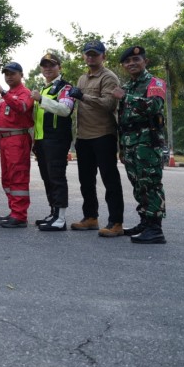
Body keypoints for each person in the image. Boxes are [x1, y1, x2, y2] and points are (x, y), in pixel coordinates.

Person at [69, 40, 126, 237]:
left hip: (103, 134)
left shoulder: (109, 77)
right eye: (88, 54)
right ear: (84, 56)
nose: (91, 57)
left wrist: (83, 97)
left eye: (95, 54)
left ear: (104, 56)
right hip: (84, 136)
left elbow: (109, 104)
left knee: (110, 180)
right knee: (85, 180)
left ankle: (116, 222)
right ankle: (90, 217)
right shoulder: (82, 78)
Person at [113, 45, 168, 244]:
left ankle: (155, 228)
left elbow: (154, 106)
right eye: (127, 61)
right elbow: (122, 120)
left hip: (148, 142)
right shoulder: (127, 86)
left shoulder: (155, 82)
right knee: (138, 185)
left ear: (145, 62)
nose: (131, 64)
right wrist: (121, 147)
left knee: (151, 184)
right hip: (129, 143)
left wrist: (125, 97)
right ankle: (145, 221)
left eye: (136, 60)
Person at [30, 52, 75, 231]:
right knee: (47, 177)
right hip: (42, 140)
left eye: (52, 65)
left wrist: (41, 99)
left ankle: (60, 218)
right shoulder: (43, 89)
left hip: (57, 139)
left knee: (56, 177)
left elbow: (65, 110)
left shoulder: (66, 88)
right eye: (45, 65)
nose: (48, 68)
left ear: (59, 67)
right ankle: (53, 212)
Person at [0, 62, 34, 228]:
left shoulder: (25, 93)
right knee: (8, 178)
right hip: (4, 140)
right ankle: (14, 211)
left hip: (18, 139)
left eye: (12, 73)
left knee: (18, 176)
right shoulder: (8, 95)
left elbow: (22, 107)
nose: (9, 76)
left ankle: (20, 215)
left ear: (21, 75)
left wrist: (3, 93)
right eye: (6, 74)